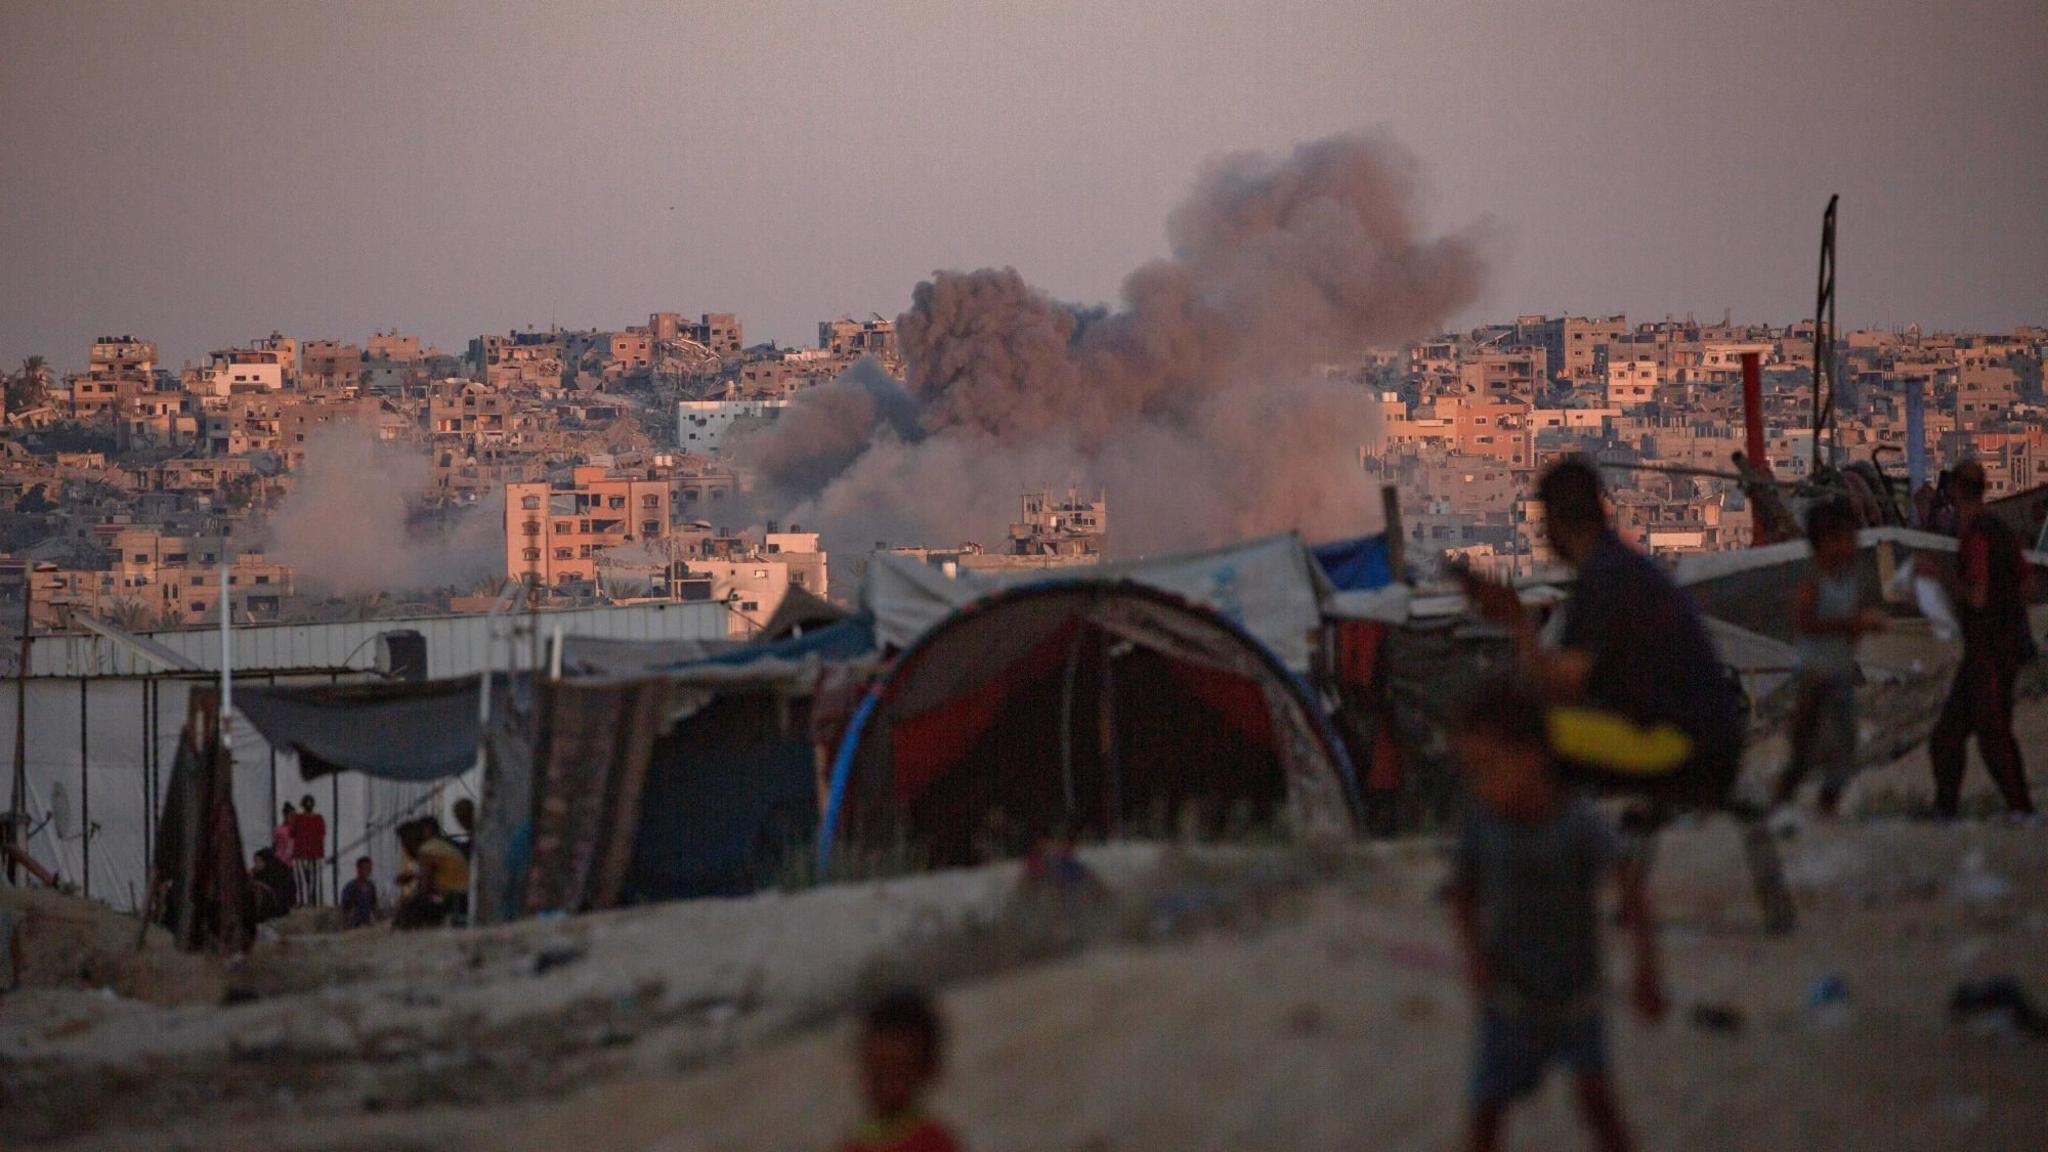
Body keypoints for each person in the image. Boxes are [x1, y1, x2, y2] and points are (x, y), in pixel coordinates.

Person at [1445, 676, 1665, 1152]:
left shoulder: (1579, 825)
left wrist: (1646, 972)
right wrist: (1474, 956)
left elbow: (1634, 896)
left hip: (1576, 1000)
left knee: (1599, 1106)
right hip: (1509, 999)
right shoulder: (1481, 822)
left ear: (1534, 756)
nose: (1481, 785)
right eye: (1473, 772)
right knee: (1487, 1115)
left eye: (1488, 768)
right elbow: (1461, 893)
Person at [1461, 458, 1743, 804]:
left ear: (1553, 522)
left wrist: (1516, 622)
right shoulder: (1617, 567)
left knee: (1519, 738)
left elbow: (1560, 688)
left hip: (1682, 747)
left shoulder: (1606, 579)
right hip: (1698, 738)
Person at [1929, 459, 2035, 817]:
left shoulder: (1976, 535)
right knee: (1954, 735)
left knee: (1987, 736)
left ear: (1955, 490)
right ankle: (1950, 814)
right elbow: (2026, 582)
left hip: (1987, 651)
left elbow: (1977, 596)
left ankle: (2020, 811)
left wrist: (1942, 580)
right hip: (2002, 647)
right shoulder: (2000, 529)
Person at [1775, 501, 1885, 814]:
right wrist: (1849, 625)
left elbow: (1851, 627)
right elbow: (1804, 621)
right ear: (1824, 543)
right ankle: (1783, 806)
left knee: (1843, 745)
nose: (1851, 546)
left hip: (1837, 674)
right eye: (1843, 539)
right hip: (1815, 676)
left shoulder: (1850, 580)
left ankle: (1825, 808)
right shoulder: (1815, 582)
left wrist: (1862, 627)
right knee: (1809, 747)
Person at [841, 988, 963, 1152]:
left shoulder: (935, 1143)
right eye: (877, 1071)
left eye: (898, 1074)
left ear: (926, 1070)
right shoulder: (852, 1146)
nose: (885, 1086)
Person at [394, 818, 470, 930]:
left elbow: (424, 889)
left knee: (410, 908)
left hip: (456, 899)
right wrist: (414, 877)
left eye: (404, 845)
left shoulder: (426, 851)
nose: (405, 850)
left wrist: (405, 905)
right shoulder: (436, 846)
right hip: (464, 895)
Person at [289, 795, 327, 906]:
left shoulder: (299, 818)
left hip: (302, 854)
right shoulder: (318, 818)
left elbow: (292, 833)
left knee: (302, 883)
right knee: (314, 883)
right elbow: (322, 834)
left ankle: (305, 904)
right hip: (313, 854)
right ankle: (314, 904)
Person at [250, 848, 296, 923]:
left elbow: (279, 892)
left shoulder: (278, 871)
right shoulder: (261, 871)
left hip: (278, 907)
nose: (256, 865)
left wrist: (261, 885)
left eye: (258, 861)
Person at [339, 855, 380, 929]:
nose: (369, 871)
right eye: (366, 868)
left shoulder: (371, 886)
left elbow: (374, 904)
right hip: (353, 925)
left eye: (370, 869)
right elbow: (345, 908)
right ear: (359, 869)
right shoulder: (350, 887)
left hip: (368, 925)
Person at [270, 805, 298, 903]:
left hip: (289, 863)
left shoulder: (295, 830)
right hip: (280, 861)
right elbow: (275, 845)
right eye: (291, 815)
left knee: (291, 887)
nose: (294, 817)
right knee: (283, 886)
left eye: (294, 815)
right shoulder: (279, 830)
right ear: (285, 816)